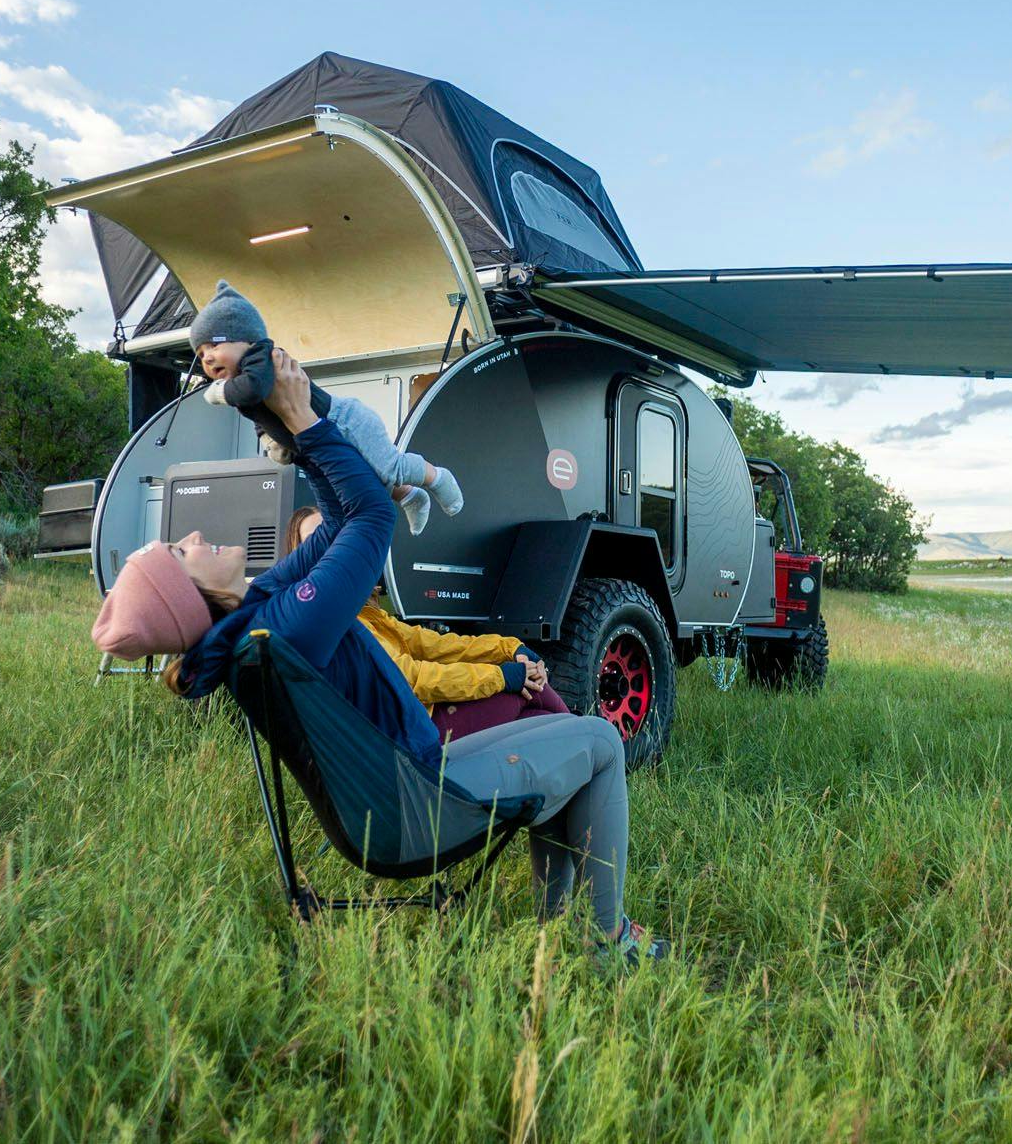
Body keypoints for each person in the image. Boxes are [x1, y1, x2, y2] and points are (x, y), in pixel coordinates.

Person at [90, 348, 666, 963]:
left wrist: (291, 421)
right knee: (601, 743)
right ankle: (606, 942)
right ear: (194, 598)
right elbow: (369, 517)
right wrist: (308, 424)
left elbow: (339, 522)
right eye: (182, 551)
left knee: (560, 733)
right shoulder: (286, 626)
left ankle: (562, 931)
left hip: (395, 796)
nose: (196, 535)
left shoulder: (258, 614)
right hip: (418, 807)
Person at [192, 280, 462, 535]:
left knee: (390, 468)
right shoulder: (243, 382)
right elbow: (259, 414)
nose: (208, 358)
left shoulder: (261, 357)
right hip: (321, 438)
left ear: (246, 339)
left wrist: (220, 393)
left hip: (345, 421)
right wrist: (271, 440)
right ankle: (410, 496)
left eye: (214, 345)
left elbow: (255, 389)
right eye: (201, 354)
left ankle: (436, 477)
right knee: (369, 476)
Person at [282, 507, 572, 739]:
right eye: (315, 541)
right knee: (534, 695)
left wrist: (509, 648)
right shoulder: (334, 623)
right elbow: (411, 679)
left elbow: (436, 645)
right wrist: (502, 677)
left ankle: (583, 750)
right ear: (301, 560)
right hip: (407, 735)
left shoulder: (365, 614)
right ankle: (592, 740)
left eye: (333, 536)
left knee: (538, 721)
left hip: (419, 717)